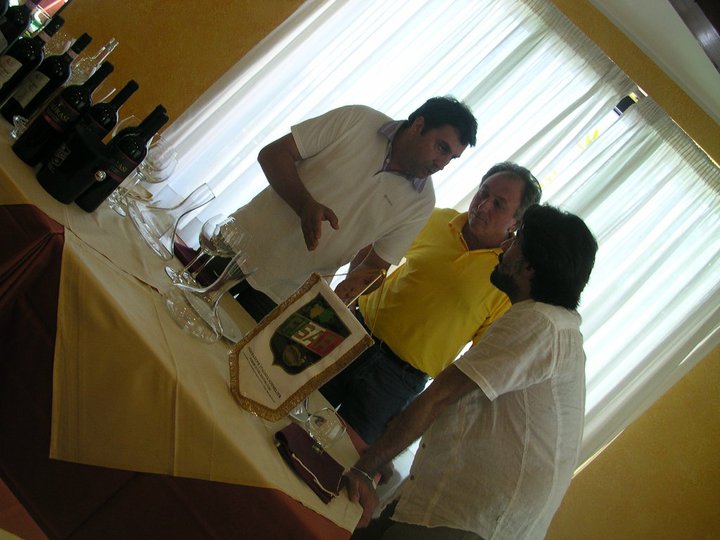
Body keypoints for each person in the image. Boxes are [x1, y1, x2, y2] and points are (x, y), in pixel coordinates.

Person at [344, 204, 598, 540]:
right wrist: (386, 451)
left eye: (516, 240)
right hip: (459, 509)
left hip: (468, 520)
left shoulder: (539, 322)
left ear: (530, 266)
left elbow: (441, 396)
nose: (504, 246)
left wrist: (366, 467)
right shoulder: (553, 325)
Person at [320, 162, 542, 444]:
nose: (483, 205)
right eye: (483, 193)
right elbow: (375, 250)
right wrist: (348, 300)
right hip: (354, 336)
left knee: (340, 453)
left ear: (516, 223)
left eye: (498, 204)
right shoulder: (436, 219)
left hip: (397, 382)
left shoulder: (508, 275)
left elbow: (479, 357)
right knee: (294, 412)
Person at [220, 97, 478, 321]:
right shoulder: (358, 120)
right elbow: (273, 154)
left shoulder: (422, 203)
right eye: (441, 148)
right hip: (236, 247)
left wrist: (354, 288)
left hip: (284, 296)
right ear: (419, 125)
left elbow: (376, 265)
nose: (442, 164)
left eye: (452, 157)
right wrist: (304, 204)